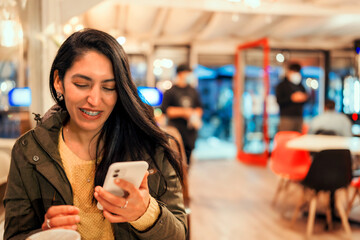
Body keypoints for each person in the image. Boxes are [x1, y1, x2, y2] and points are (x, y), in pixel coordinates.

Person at [4, 29, 187, 240]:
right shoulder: (29, 151)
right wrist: (43, 234)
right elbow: (14, 235)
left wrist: (146, 212)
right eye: (82, 84)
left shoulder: (148, 146)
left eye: (109, 87)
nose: (95, 100)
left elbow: (179, 235)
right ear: (58, 81)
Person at [161, 64, 202, 165]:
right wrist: (184, 112)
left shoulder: (193, 91)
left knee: (187, 161)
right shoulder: (170, 92)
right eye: (188, 73)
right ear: (180, 74)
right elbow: (166, 111)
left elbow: (199, 108)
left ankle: (185, 179)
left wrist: (194, 115)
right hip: (176, 131)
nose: (190, 76)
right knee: (175, 160)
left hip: (190, 132)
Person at [276, 62, 308, 133]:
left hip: (299, 117)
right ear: (289, 72)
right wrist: (291, 98)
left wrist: (304, 98)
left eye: (298, 72)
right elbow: (279, 101)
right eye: (294, 71)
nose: (296, 74)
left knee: (298, 140)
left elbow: (307, 99)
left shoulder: (301, 86)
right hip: (286, 118)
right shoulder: (281, 85)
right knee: (286, 138)